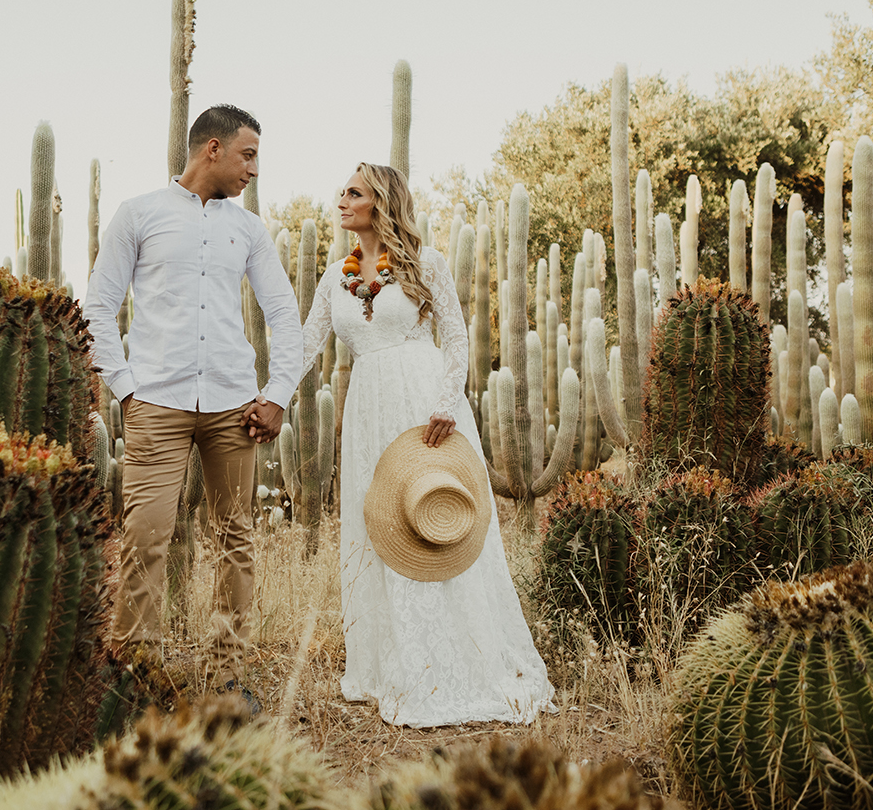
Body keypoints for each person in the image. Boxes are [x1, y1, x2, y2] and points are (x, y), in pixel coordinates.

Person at [288, 162, 556, 727]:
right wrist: (269, 397)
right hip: (367, 408)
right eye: (342, 189)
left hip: (423, 401)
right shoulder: (335, 275)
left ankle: (457, 662)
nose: (341, 198)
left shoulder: (425, 263)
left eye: (353, 192)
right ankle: (394, 665)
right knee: (380, 524)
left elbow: (455, 335)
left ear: (380, 203)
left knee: (431, 515)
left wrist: (445, 401)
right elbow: (307, 344)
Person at [84, 104, 303, 711]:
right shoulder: (140, 215)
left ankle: (229, 677)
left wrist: (277, 394)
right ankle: (134, 677)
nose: (254, 169)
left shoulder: (249, 231)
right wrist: (126, 388)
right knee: (146, 535)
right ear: (212, 148)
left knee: (235, 538)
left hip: (235, 404)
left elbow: (282, 313)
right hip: (157, 400)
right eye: (248, 155)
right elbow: (99, 306)